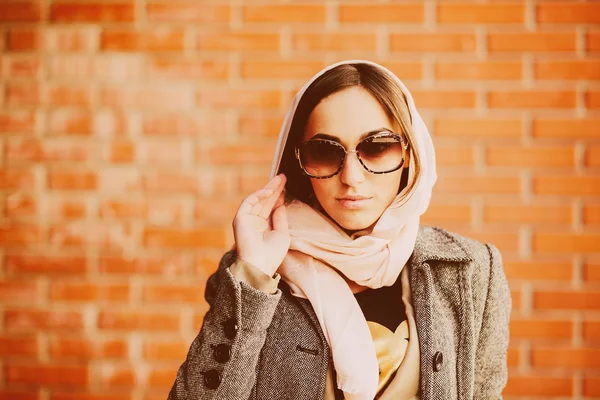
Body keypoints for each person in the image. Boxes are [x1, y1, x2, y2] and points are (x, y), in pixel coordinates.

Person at [168, 60, 511, 400]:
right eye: (324, 151)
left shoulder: (470, 270)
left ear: (409, 152)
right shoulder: (256, 271)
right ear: (299, 162)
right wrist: (254, 275)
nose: (351, 177)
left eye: (377, 147)